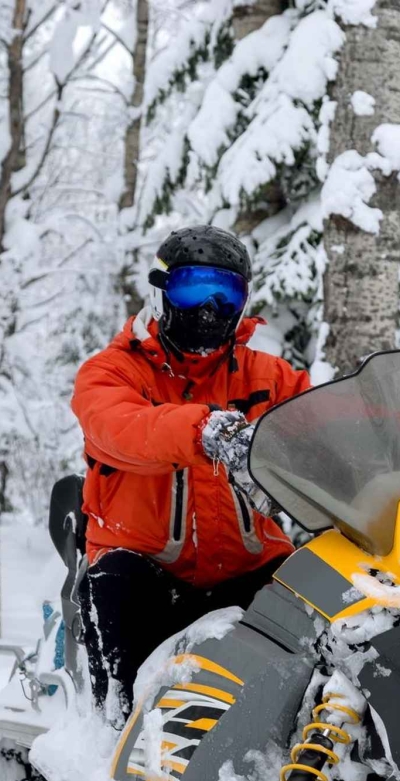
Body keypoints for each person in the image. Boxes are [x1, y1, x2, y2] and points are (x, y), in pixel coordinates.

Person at [71, 226, 311, 725]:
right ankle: (114, 733)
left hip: (247, 567)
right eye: (193, 289)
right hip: (145, 571)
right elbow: (117, 427)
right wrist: (205, 431)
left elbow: (327, 426)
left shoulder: (270, 378)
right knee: (117, 585)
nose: (208, 309)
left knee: (321, 601)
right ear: (161, 292)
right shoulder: (113, 372)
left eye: (226, 295)